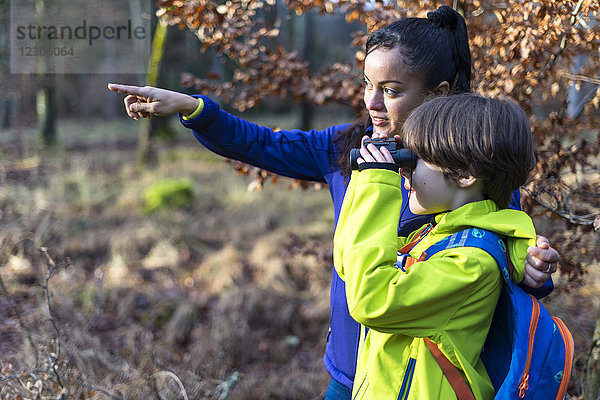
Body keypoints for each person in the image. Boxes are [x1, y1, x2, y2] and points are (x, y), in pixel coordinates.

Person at [107, 6, 559, 399]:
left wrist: (529, 268)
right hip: (350, 371)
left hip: (426, 378)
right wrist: (193, 108)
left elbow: (497, 241)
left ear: (438, 93)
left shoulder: (467, 164)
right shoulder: (347, 148)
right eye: (367, 84)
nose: (372, 102)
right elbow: (262, 144)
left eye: (392, 90)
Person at [334, 93, 538, 399]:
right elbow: (349, 264)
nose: (404, 170)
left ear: (466, 174)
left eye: (415, 159)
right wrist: (365, 180)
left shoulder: (470, 263)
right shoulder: (433, 238)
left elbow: (370, 299)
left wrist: (379, 185)